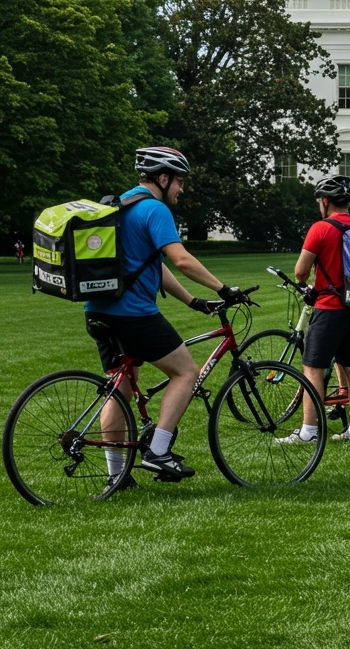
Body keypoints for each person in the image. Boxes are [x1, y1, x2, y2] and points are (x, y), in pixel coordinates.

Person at [84, 146, 249, 487]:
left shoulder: (121, 204)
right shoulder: (154, 210)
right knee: (186, 372)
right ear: (163, 178)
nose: (182, 189)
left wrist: (191, 301)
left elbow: (151, 265)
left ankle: (116, 476)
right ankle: (158, 451)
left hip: (98, 311)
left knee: (122, 389)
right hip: (133, 315)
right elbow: (181, 260)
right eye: (179, 182)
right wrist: (223, 289)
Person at [277, 174, 350, 444]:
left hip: (330, 308)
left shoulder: (321, 228)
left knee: (313, 368)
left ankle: (308, 431)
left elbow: (300, 271)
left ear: (326, 201)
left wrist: (306, 283)